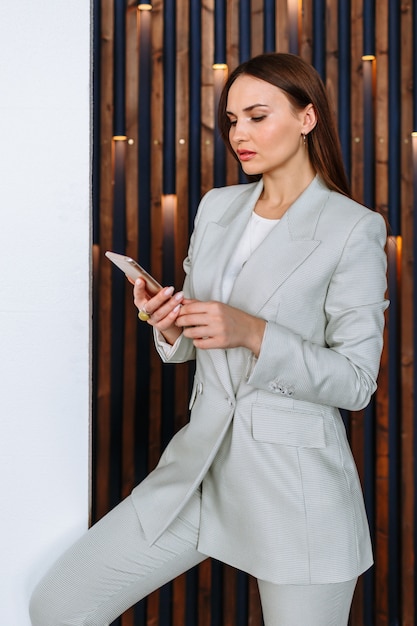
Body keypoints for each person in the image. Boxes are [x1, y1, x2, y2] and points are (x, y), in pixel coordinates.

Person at [30, 52, 388, 626]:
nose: (238, 134)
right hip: (199, 468)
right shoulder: (218, 207)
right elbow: (201, 334)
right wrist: (169, 322)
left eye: (256, 116)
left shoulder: (354, 228)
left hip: (295, 490)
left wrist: (253, 332)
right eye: (231, 120)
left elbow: (356, 381)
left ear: (307, 118)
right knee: (60, 606)